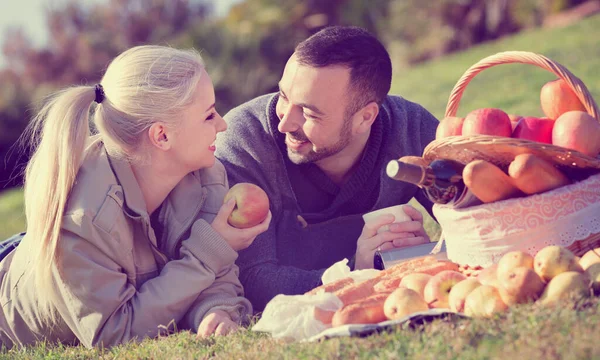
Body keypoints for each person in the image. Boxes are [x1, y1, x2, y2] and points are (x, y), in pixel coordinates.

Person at [0, 45, 271, 349]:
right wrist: (209, 250)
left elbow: (215, 276)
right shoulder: (85, 219)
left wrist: (214, 311)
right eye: (209, 115)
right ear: (162, 136)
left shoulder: (206, 175)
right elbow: (115, 335)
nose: (222, 124)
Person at [215, 26, 439, 312]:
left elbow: (477, 221)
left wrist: (424, 257)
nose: (284, 123)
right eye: (284, 96)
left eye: (308, 113)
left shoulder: (409, 129)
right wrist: (355, 274)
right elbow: (252, 279)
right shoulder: (245, 142)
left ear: (365, 117)